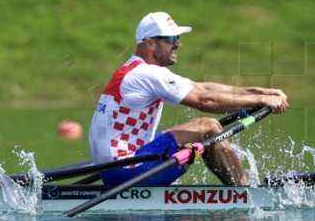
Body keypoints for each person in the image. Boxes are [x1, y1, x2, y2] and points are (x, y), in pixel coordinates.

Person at [89, 12, 289, 187]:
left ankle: (239, 190)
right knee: (208, 127)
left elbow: (203, 88)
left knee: (201, 129)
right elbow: (207, 101)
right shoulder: (146, 74)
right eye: (171, 38)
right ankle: (245, 192)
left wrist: (261, 92)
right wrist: (260, 101)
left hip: (117, 166)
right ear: (150, 43)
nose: (178, 43)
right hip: (126, 171)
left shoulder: (137, 69)